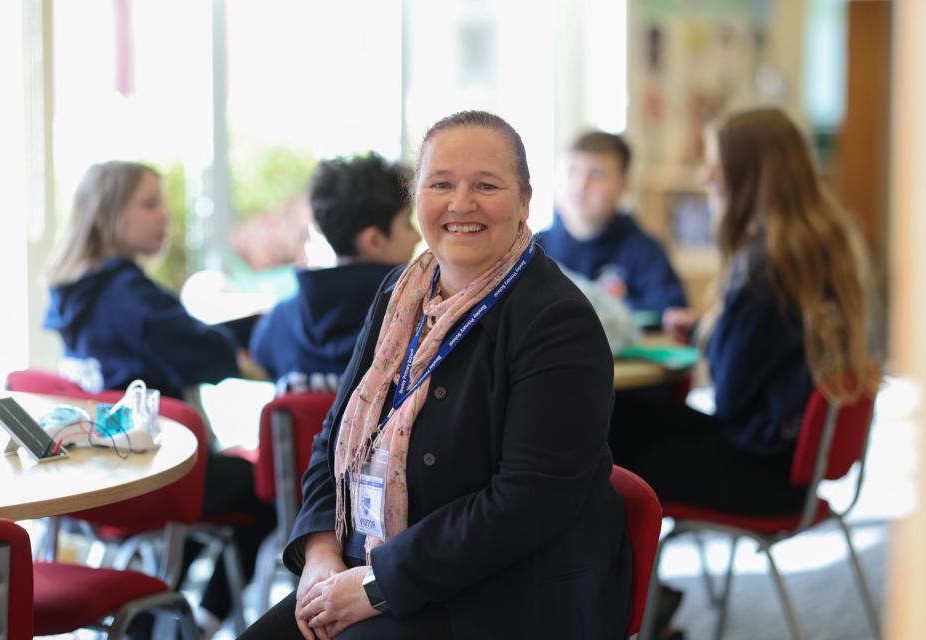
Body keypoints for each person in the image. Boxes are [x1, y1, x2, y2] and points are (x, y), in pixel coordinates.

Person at [240, 111, 632, 639]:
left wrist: (377, 585)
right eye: (441, 184)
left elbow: (524, 508)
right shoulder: (400, 294)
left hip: (504, 594)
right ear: (416, 197)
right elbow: (335, 435)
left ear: (525, 202)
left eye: (486, 185)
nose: (461, 203)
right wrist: (320, 553)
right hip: (371, 566)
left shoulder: (556, 320)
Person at [608, 108, 879, 637]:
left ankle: (625, 609)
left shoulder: (763, 267)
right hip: (791, 460)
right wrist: (718, 329)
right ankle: (641, 601)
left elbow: (729, 396)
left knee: (611, 441)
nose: (706, 176)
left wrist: (720, 332)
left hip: (761, 474)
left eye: (716, 165)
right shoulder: (821, 245)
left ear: (749, 174)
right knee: (637, 416)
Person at [43, 161, 275, 637]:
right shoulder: (131, 297)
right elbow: (200, 352)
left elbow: (185, 340)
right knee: (265, 489)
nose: (164, 217)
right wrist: (248, 349)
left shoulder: (73, 295)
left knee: (217, 491)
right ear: (108, 215)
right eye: (149, 204)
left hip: (92, 482)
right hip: (150, 478)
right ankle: (205, 623)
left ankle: (155, 618)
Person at [249, 152, 420, 393]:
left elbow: (261, 358)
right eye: (407, 224)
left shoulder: (278, 323)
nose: (417, 236)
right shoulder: (419, 320)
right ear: (373, 240)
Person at [537, 130, 692, 333]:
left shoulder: (644, 250)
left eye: (597, 174)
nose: (580, 185)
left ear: (624, 187)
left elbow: (670, 313)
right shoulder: (536, 249)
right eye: (572, 171)